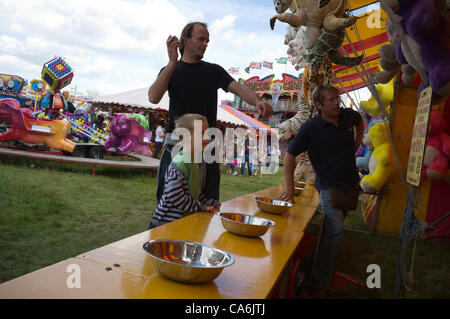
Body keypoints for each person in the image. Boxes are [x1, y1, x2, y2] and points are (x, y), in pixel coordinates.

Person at [148, 21, 273, 203]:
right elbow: (153, 97)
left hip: (208, 143)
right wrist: (172, 62)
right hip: (177, 141)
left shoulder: (213, 71)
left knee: (209, 201)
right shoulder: (170, 70)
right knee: (168, 200)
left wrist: (257, 101)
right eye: (201, 39)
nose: (205, 44)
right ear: (185, 40)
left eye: (207, 40)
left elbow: (238, 88)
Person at [279, 84, 364, 299]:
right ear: (319, 105)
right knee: (334, 232)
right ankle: (320, 284)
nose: (337, 102)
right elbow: (289, 156)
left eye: (337, 98)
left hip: (350, 184)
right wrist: (289, 187)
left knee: (333, 233)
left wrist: (356, 144)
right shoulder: (310, 128)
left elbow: (359, 121)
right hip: (327, 186)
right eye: (331, 100)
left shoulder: (346, 116)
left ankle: (317, 272)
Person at [148, 113, 220, 229]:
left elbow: (194, 191)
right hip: (165, 225)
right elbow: (176, 196)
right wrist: (200, 207)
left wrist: (208, 203)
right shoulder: (180, 163)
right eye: (202, 133)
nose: (207, 138)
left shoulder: (193, 161)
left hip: (178, 224)